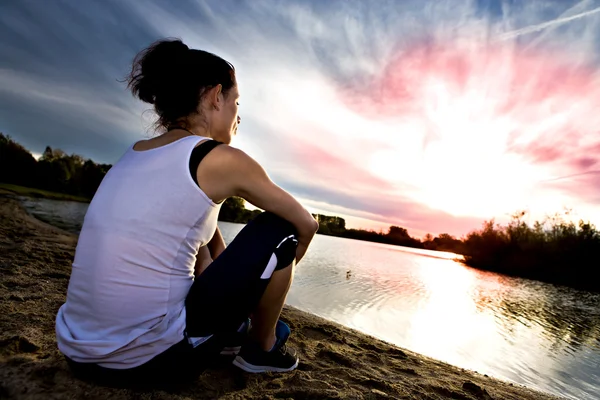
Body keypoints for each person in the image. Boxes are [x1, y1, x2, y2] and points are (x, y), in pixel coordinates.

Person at [54, 38, 319, 386]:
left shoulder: (135, 154)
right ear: (215, 96)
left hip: (79, 356)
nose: (239, 116)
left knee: (213, 263)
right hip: (148, 362)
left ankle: (241, 333)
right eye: (236, 102)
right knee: (282, 227)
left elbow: (209, 255)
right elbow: (307, 225)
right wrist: (265, 292)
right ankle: (262, 347)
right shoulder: (219, 159)